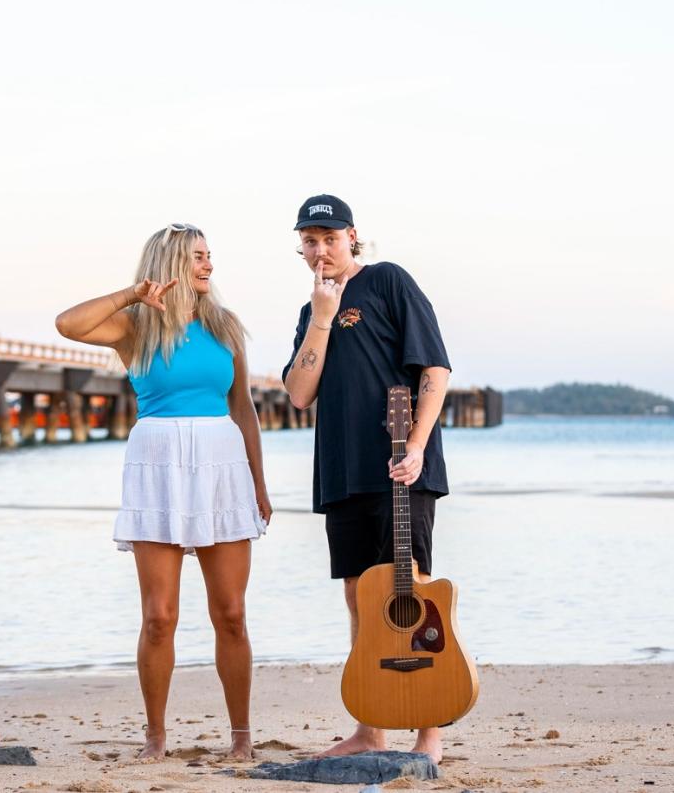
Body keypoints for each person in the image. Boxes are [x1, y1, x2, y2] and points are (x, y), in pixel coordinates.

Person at [55, 223, 272, 760]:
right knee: (159, 617)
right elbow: (67, 324)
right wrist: (133, 293)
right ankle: (155, 737)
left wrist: (259, 483)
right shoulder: (134, 326)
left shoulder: (224, 325)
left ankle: (241, 736)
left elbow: (243, 408)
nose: (209, 265)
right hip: (157, 467)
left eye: (209, 255)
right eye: (198, 256)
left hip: (222, 467)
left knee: (231, 613)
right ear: (171, 262)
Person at [281, 195, 452, 763]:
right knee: (359, 598)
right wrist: (323, 316)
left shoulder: (387, 281)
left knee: (414, 593)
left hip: (401, 464)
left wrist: (418, 447)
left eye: (330, 239)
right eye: (310, 241)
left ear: (352, 237)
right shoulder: (311, 311)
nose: (320, 251)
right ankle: (371, 728)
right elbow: (299, 393)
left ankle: (429, 733)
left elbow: (435, 369)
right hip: (342, 469)